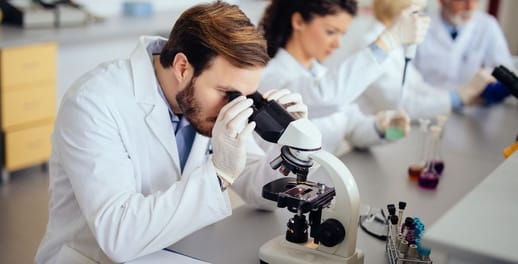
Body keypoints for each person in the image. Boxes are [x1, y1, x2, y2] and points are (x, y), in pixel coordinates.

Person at [35, 2, 308, 263]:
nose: (235, 106)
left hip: (177, 252)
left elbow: (259, 194)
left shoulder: (206, 104)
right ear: (182, 67)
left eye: (245, 96)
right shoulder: (93, 103)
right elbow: (118, 235)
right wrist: (218, 176)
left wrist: (286, 147)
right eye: (228, 93)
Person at [257, 0, 430, 155]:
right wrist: (389, 41)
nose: (338, 44)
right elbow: (325, 97)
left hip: (331, 181)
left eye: (342, 34)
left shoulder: (320, 73)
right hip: (291, 186)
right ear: (299, 21)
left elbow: (353, 128)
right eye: (331, 32)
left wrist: (385, 129)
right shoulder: (271, 77)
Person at [325, 0, 498, 119]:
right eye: (417, 12)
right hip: (370, 132)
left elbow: (418, 86)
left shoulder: (394, 47)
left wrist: (462, 96)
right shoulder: (373, 44)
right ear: (399, 10)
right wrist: (458, 98)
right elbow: (402, 104)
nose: (421, 19)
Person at [414, 0, 513, 92]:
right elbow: (408, 79)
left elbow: (505, 71)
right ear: (442, 2)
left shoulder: (488, 25)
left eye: (475, 0)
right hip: (427, 104)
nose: (470, 7)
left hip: (474, 107)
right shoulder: (418, 25)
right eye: (462, 0)